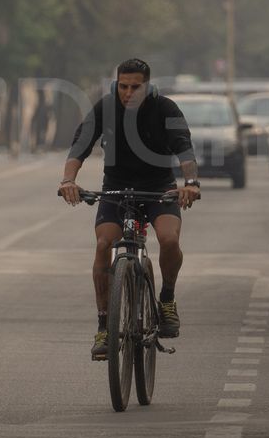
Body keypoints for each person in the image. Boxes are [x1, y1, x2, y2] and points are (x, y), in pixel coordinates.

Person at [58, 58, 201, 360]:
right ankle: (104, 327)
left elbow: (184, 148)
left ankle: (167, 300)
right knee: (102, 244)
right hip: (116, 188)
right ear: (116, 84)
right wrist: (68, 180)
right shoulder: (106, 107)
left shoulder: (166, 108)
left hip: (159, 188)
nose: (128, 92)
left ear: (148, 86)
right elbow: (79, 146)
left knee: (169, 240)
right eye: (123, 86)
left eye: (135, 87)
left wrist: (190, 182)